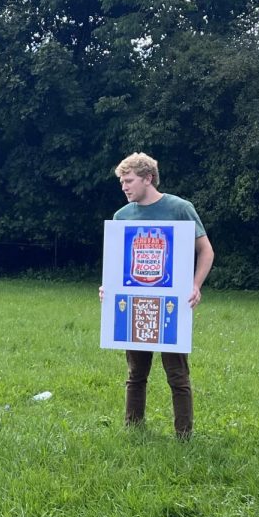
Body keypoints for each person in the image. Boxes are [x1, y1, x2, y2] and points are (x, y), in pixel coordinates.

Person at [105, 152, 215, 440]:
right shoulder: (122, 216)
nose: (124, 187)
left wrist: (195, 285)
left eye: (128, 181)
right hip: (135, 305)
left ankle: (184, 436)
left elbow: (206, 251)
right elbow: (118, 262)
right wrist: (109, 287)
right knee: (135, 374)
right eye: (122, 182)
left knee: (177, 375)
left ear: (148, 178)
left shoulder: (179, 208)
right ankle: (133, 430)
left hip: (171, 304)